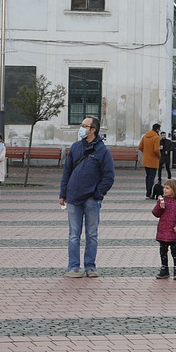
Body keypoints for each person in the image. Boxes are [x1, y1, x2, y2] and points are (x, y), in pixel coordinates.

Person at [60, 116, 116, 278]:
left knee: (91, 235)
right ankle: (73, 267)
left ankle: (90, 267)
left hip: (91, 199)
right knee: (73, 235)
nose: (81, 128)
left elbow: (109, 176)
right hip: (73, 198)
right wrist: (63, 193)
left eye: (85, 126)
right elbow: (67, 172)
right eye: (82, 125)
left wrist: (97, 194)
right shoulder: (75, 147)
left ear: (93, 130)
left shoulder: (102, 151)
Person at [152, 179, 176, 279]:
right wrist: (160, 207)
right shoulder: (162, 200)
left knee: (174, 251)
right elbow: (156, 213)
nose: (164, 190)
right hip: (163, 230)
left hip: (174, 231)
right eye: (164, 188)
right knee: (163, 250)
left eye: (167, 188)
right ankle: (164, 268)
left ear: (174, 190)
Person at [139, 123, 162, 198]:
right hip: (153, 160)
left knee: (148, 176)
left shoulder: (145, 135)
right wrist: (159, 155)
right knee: (151, 177)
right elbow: (156, 150)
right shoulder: (156, 137)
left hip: (146, 160)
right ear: (157, 129)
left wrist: (145, 153)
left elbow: (140, 147)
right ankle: (149, 193)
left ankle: (147, 191)